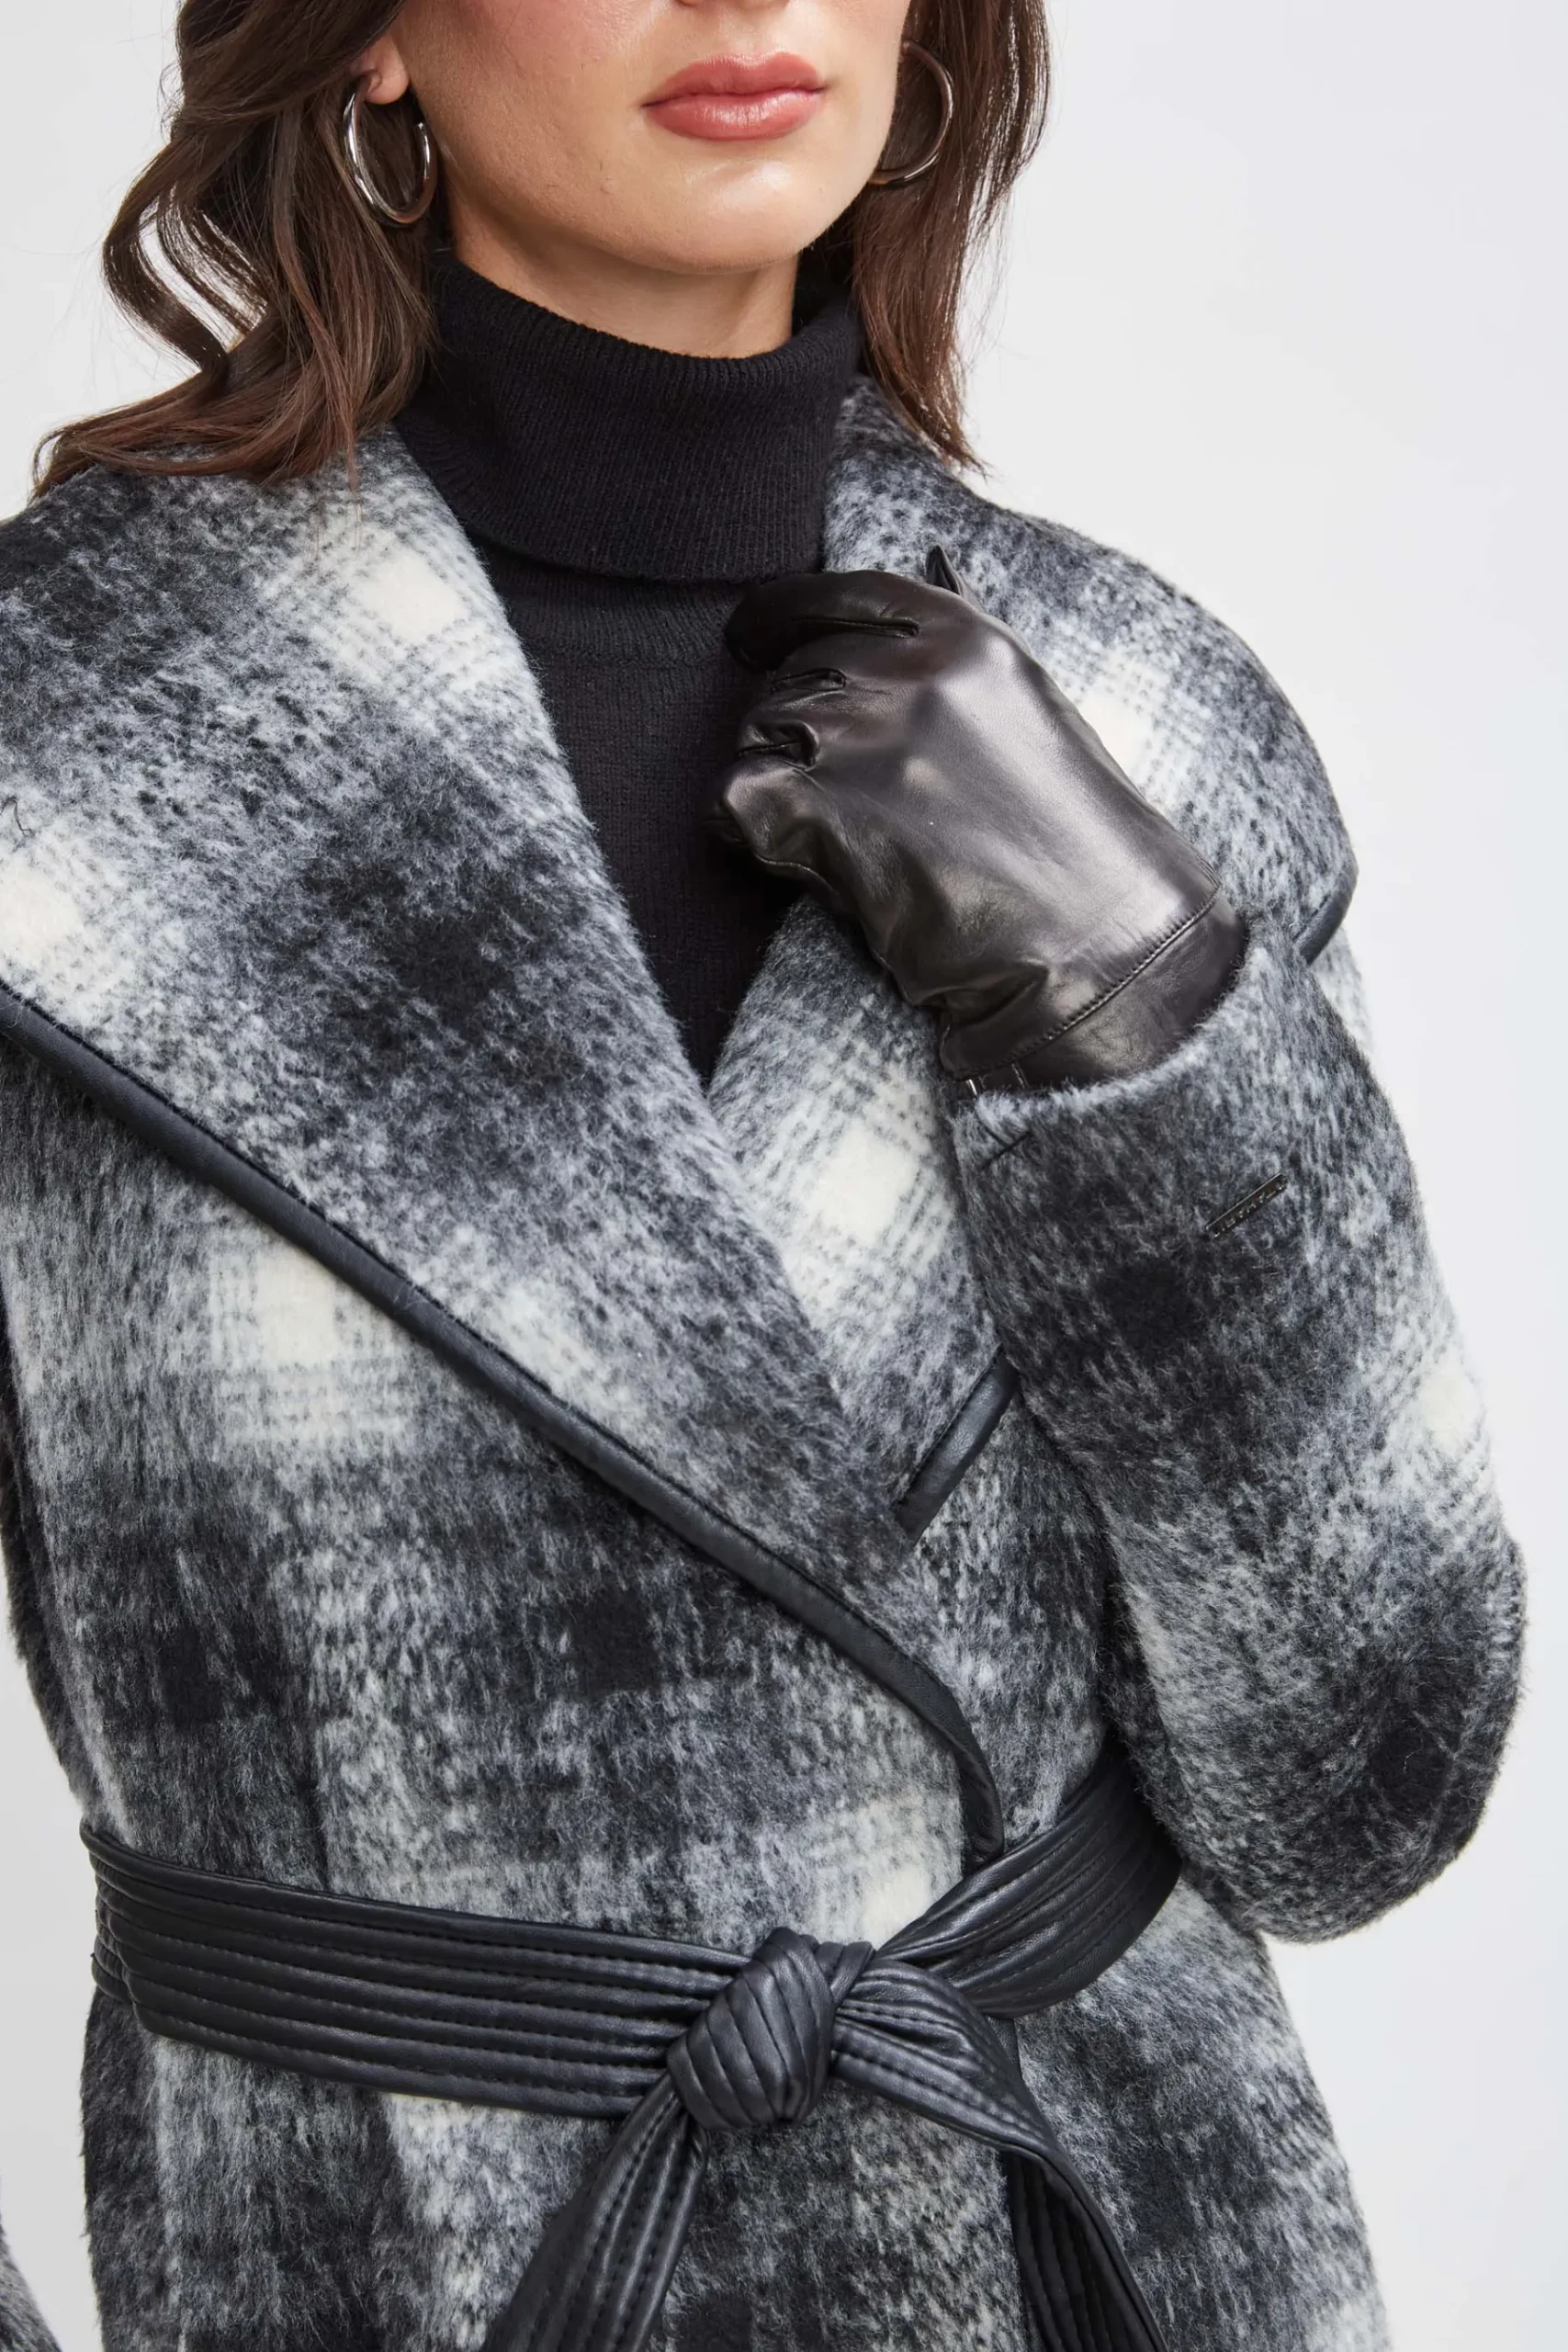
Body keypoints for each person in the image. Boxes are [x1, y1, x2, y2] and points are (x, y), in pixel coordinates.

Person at [0, 5, 1522, 2349]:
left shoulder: (1135, 720)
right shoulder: (61, 755)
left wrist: (1133, 1020)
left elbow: (1362, 1787)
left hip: (1116, 2246)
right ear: (370, 37)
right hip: (403, 2268)